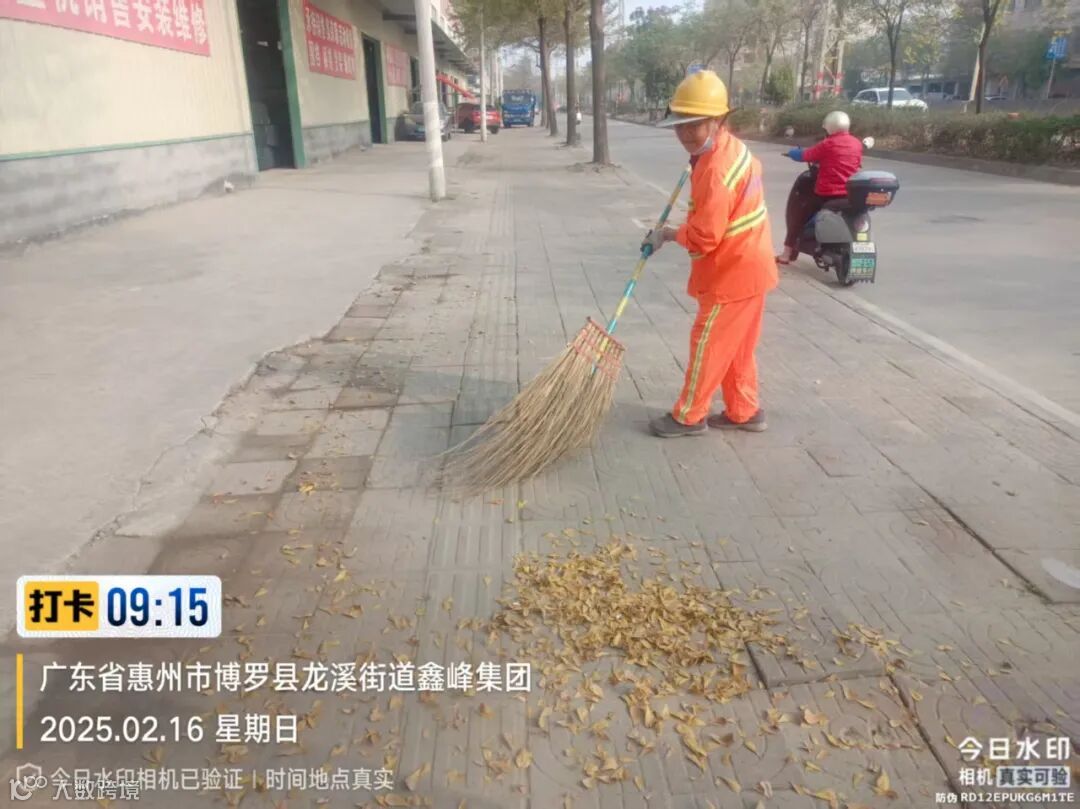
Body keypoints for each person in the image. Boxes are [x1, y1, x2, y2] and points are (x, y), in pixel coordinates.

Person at [641, 70, 777, 438]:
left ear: (717, 121)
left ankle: (689, 416)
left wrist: (668, 234)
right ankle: (744, 410)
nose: (686, 134)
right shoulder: (731, 149)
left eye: (695, 125)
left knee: (709, 345)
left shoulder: (715, 169)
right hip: (752, 267)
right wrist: (697, 161)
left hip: (731, 273)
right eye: (680, 125)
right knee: (737, 347)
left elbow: (705, 237)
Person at [776, 110, 862, 264]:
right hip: (849, 193)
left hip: (827, 193)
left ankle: (786, 254)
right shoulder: (856, 143)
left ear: (830, 126)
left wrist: (793, 153)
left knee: (798, 216)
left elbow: (806, 155)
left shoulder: (828, 144)